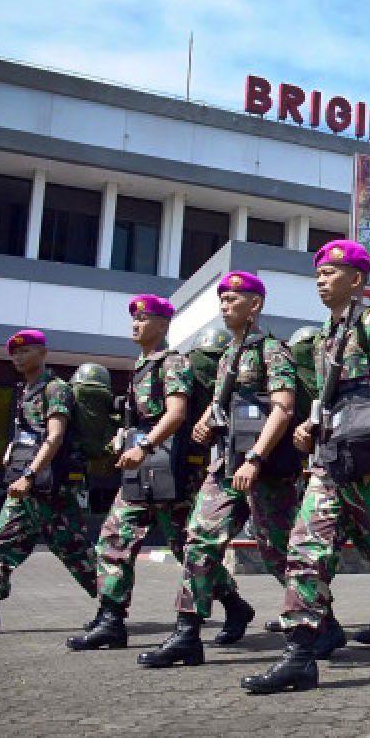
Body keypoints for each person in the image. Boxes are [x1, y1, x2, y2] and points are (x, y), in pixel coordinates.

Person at [241, 241, 370, 694]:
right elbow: (334, 399)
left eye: (331, 271)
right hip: (330, 462)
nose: (320, 278)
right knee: (304, 550)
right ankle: (299, 654)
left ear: (356, 279)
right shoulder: (327, 334)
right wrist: (308, 427)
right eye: (317, 272)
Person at [138, 272, 298, 669]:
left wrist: (256, 459)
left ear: (255, 304)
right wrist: (208, 418)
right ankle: (187, 633)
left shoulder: (273, 351)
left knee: (278, 552)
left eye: (233, 298)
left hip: (264, 467)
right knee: (199, 539)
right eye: (222, 298)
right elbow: (224, 400)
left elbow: (283, 408)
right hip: (226, 464)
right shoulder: (228, 354)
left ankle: (317, 620)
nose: (225, 305)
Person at [69, 296, 242, 650]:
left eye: (144, 318)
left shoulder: (173, 362)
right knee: (114, 540)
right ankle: (111, 620)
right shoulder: (141, 365)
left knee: (187, 548)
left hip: (170, 469)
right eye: (134, 318)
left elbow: (177, 413)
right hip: (142, 469)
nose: (136, 324)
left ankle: (235, 606)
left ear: (163, 325)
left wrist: (143, 446)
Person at [0, 330, 97, 636]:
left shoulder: (55, 389)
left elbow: (55, 436)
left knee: (76, 552)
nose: (18, 356)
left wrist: (29, 475)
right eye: (14, 352)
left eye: (25, 350)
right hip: (28, 490)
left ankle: (111, 610)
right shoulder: (26, 390)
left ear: (43, 352)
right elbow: (31, 434)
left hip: (53, 490)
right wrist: (12, 453)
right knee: (1, 545)